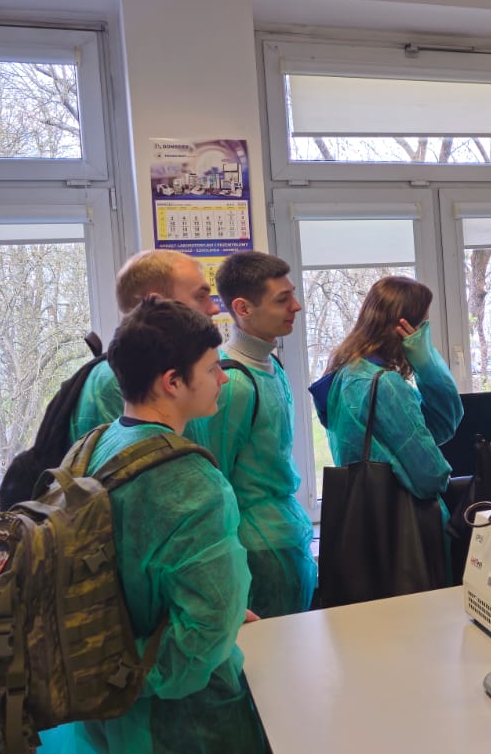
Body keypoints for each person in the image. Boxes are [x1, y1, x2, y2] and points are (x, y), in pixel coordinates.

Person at [54, 298, 269, 754]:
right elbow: (196, 640)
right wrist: (216, 618)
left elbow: (131, 571)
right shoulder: (188, 478)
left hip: (110, 704)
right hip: (181, 719)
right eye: (213, 367)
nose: (224, 378)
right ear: (173, 381)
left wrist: (216, 609)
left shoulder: (94, 446)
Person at [186, 251, 315, 617]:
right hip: (257, 550)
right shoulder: (233, 383)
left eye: (293, 295)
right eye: (282, 299)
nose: (296, 306)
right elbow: (215, 484)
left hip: (284, 537)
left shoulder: (270, 364)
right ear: (243, 308)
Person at [308, 276, 462, 507]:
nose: (425, 335)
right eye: (424, 326)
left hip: (366, 511)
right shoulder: (385, 385)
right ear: (406, 329)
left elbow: (435, 427)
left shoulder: (345, 372)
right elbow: (431, 475)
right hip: (401, 518)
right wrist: (427, 362)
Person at [71, 249, 221, 440]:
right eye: (200, 296)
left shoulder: (167, 366)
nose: (215, 308)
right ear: (157, 303)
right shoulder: (122, 379)